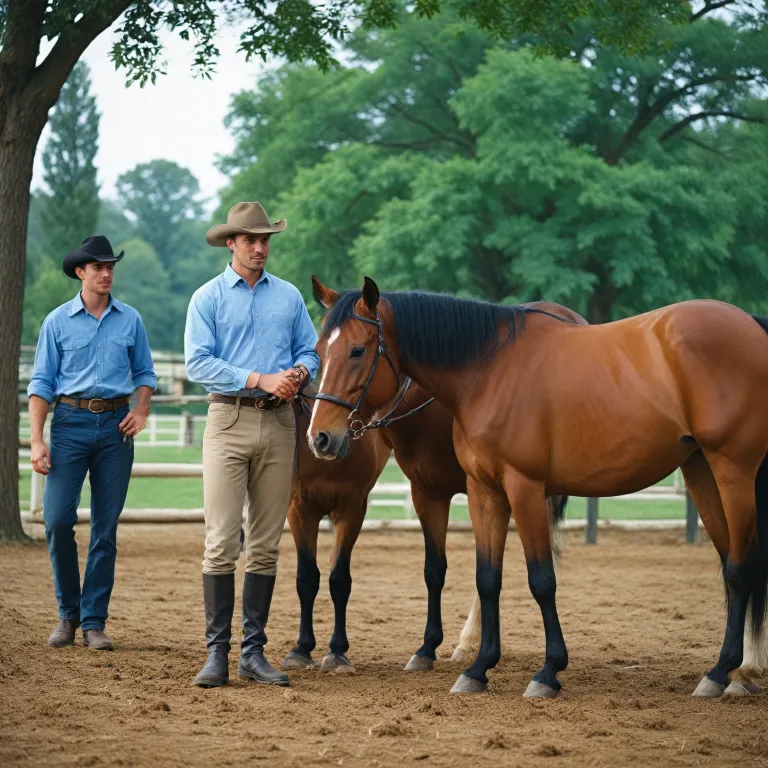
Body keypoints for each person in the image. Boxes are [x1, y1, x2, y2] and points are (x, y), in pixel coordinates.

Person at [185, 201, 320, 688]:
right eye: (251, 240)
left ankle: (252, 653)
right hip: (227, 419)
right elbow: (197, 363)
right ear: (231, 244)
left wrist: (300, 373)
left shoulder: (287, 298)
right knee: (221, 541)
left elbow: (309, 350)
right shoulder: (207, 298)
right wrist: (260, 378)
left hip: (281, 424)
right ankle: (216, 654)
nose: (261, 247)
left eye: (265, 240)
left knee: (265, 545)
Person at [28, 235, 157, 650]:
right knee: (58, 521)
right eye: (98, 267)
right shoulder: (57, 322)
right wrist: (36, 440)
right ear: (80, 273)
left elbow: (146, 374)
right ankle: (67, 614)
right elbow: (41, 384)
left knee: (105, 529)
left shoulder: (130, 320)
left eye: (110, 267)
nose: (106, 274)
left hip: (117, 427)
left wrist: (141, 411)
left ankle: (93, 622)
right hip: (69, 423)